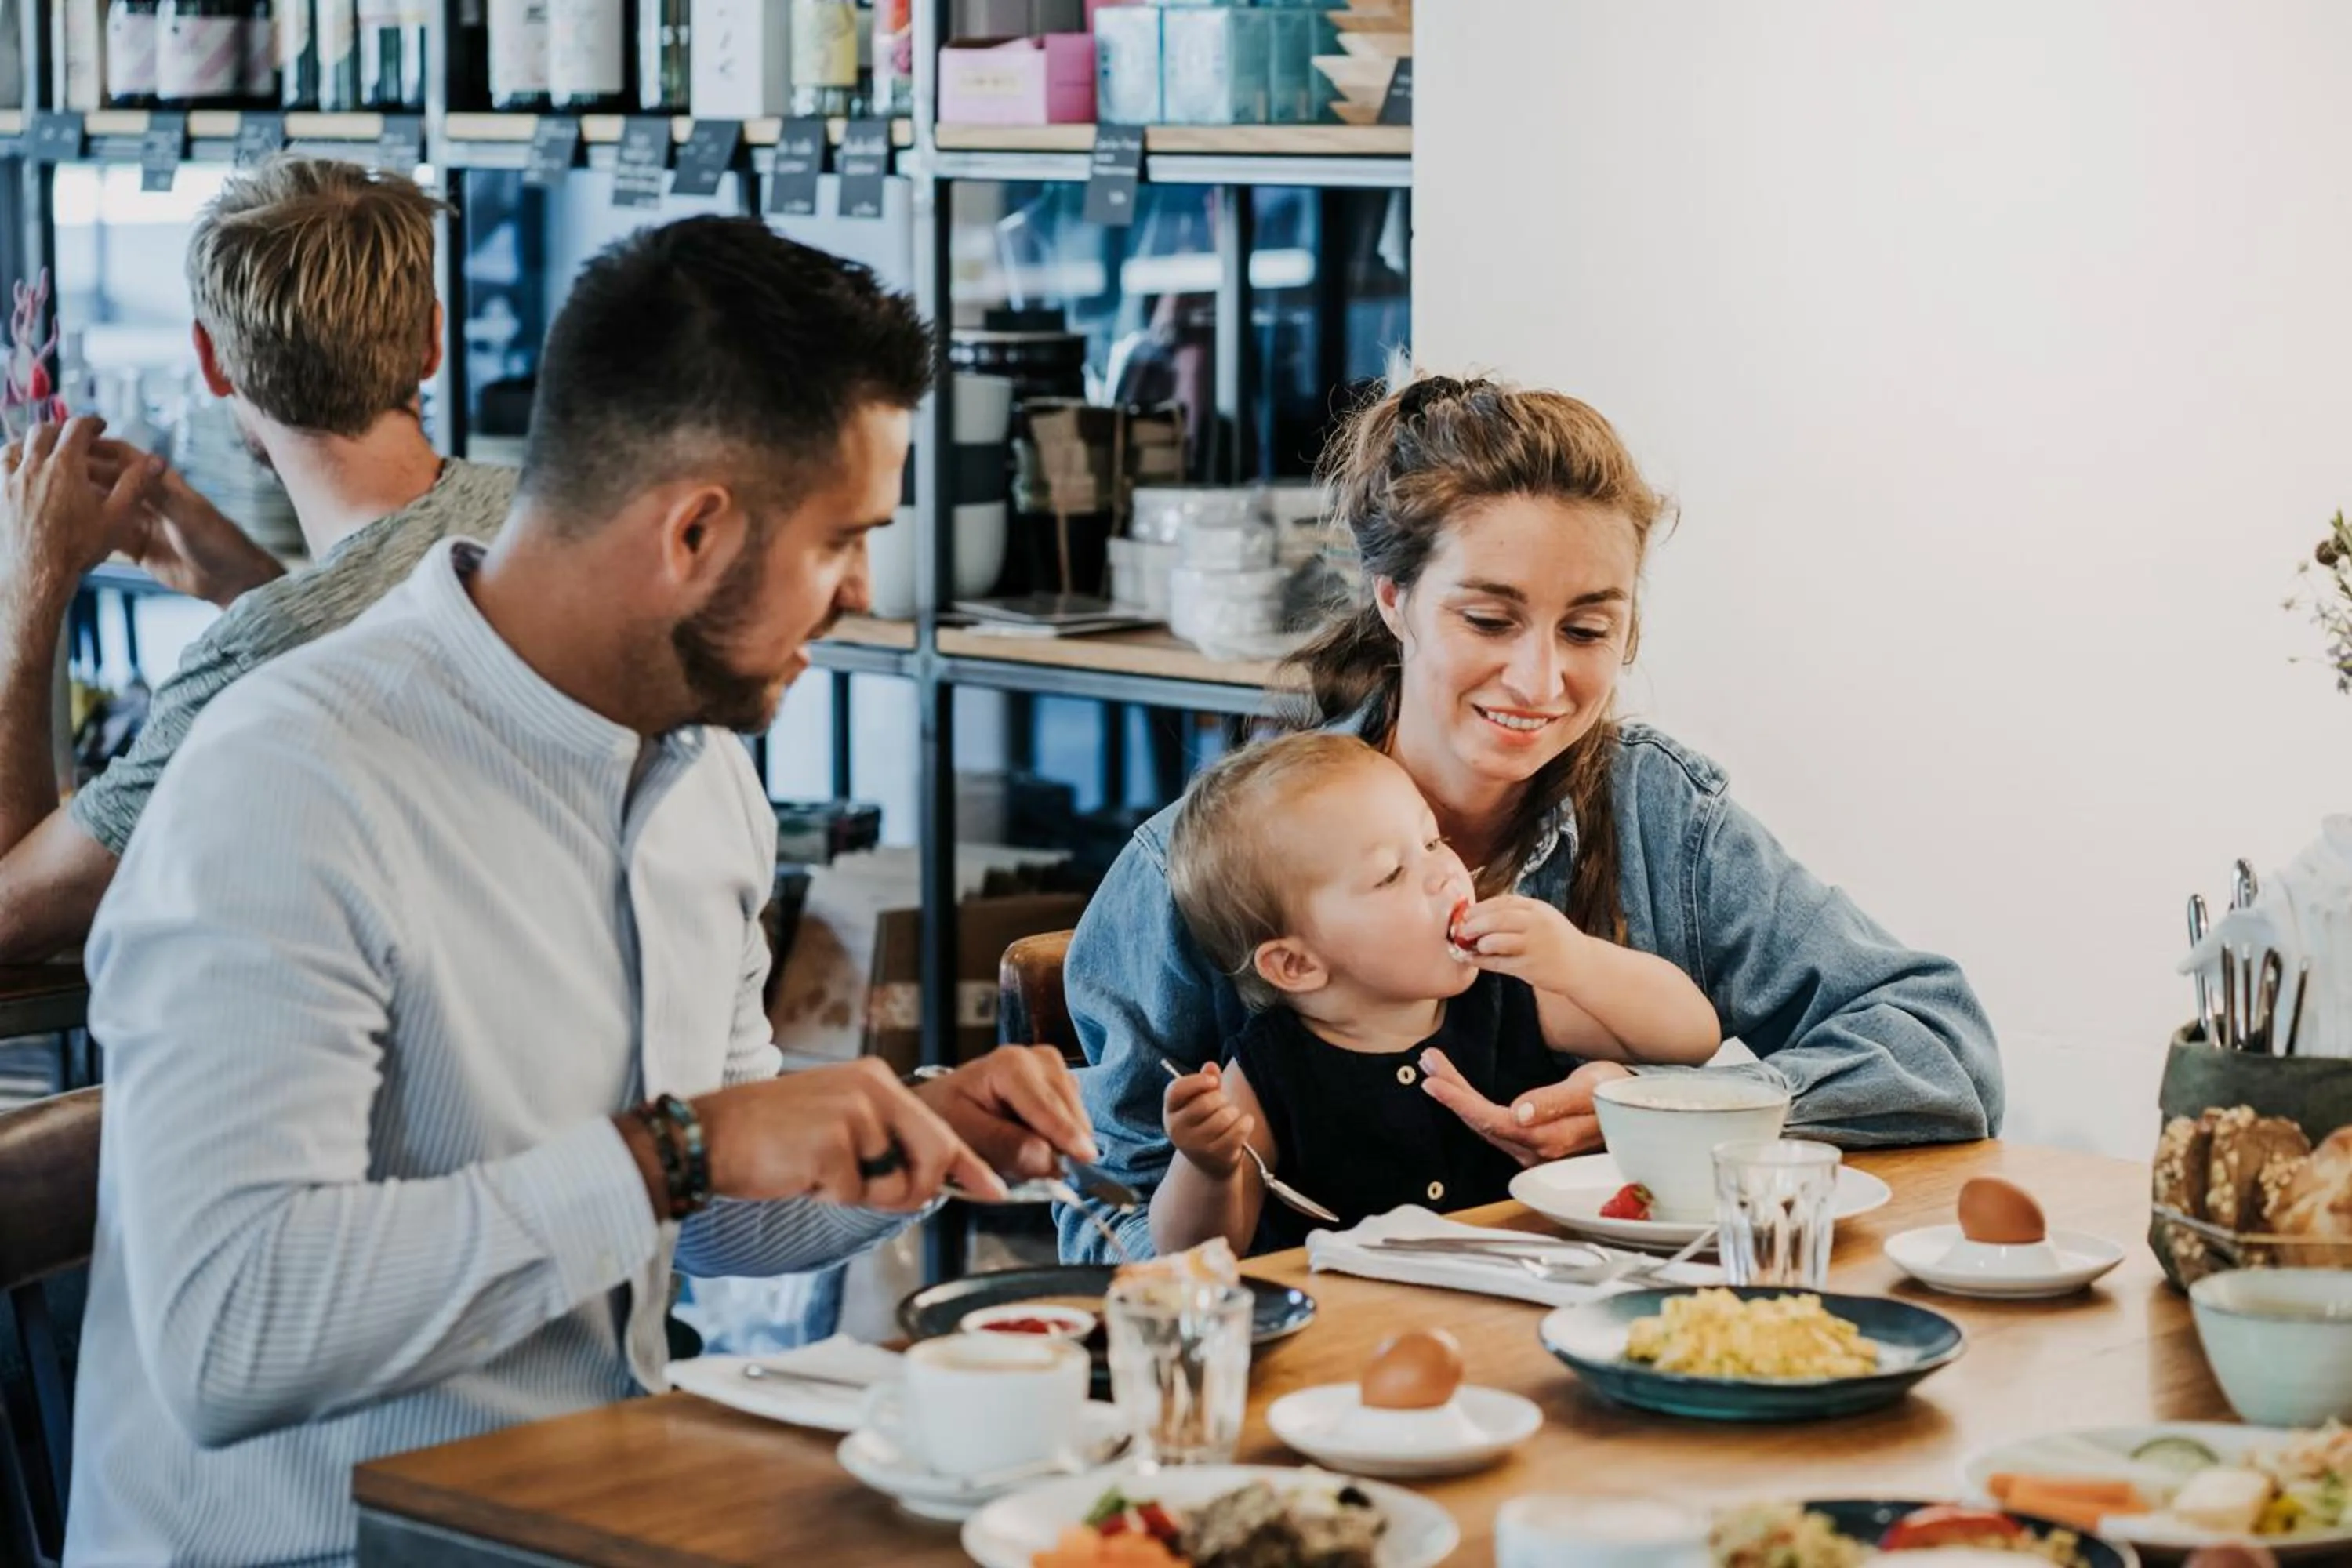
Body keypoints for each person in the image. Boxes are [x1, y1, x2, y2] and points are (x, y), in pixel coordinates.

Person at [67, 217, 1098, 1565]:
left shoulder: (702, 774)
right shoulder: (290, 779)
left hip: (585, 1514)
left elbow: (704, 1216)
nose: (861, 591)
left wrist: (908, 1133)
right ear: (694, 530)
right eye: (844, 541)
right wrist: (675, 1149)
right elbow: (233, 1336)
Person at [1062, 375, 2003, 1262]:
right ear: (1395, 599)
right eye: (1489, 619)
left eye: (1587, 630)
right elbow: (1109, 1212)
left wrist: (1660, 1108)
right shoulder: (1199, 863)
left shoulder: (1657, 809)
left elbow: (1941, 1049)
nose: (1539, 680)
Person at [0, 156, 515, 964]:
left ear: (211, 361)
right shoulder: (533, 514)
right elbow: (363, 624)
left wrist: (28, 590)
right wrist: (247, 584)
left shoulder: (256, 660)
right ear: (431, 340)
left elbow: (13, 914)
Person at [1150, 731, 1719, 1255]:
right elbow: (1193, 1253)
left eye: (1432, 840)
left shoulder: (1508, 992)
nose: (1445, 871)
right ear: (1297, 964)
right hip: (1353, 1319)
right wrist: (1210, 1167)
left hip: (1518, 1300)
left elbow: (1693, 1036)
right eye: (1391, 874)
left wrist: (1578, 961)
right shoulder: (1268, 1069)